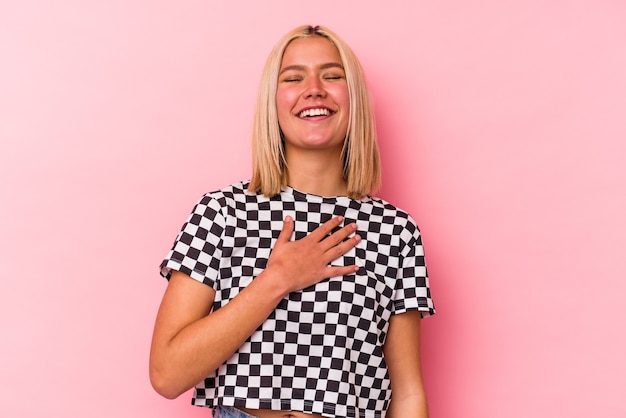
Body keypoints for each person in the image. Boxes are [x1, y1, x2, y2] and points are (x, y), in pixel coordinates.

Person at [150, 25, 435, 418]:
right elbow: (166, 374)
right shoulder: (223, 213)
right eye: (294, 77)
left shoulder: (395, 231)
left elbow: (407, 394)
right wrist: (277, 279)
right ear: (274, 101)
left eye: (333, 76)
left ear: (353, 99)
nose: (314, 88)